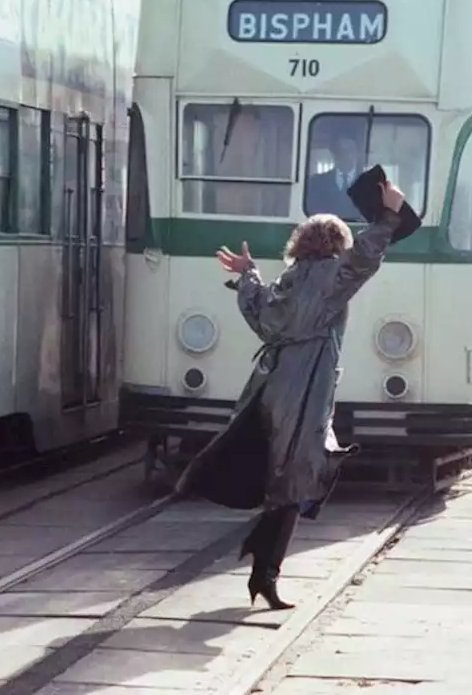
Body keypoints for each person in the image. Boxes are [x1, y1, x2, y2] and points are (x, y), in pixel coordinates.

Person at [176, 168, 418, 611]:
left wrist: (248, 273)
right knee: (299, 477)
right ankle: (264, 571)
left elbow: (260, 314)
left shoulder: (288, 282)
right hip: (307, 390)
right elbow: (365, 256)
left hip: (271, 387)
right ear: (335, 247)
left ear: (301, 245)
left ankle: (261, 562)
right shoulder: (332, 279)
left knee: (287, 473)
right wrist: (388, 214)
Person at [304, 136, 364, 220]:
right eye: (340, 150)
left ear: (357, 154)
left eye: (349, 150)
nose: (345, 155)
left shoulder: (370, 183)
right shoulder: (316, 182)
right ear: (334, 154)